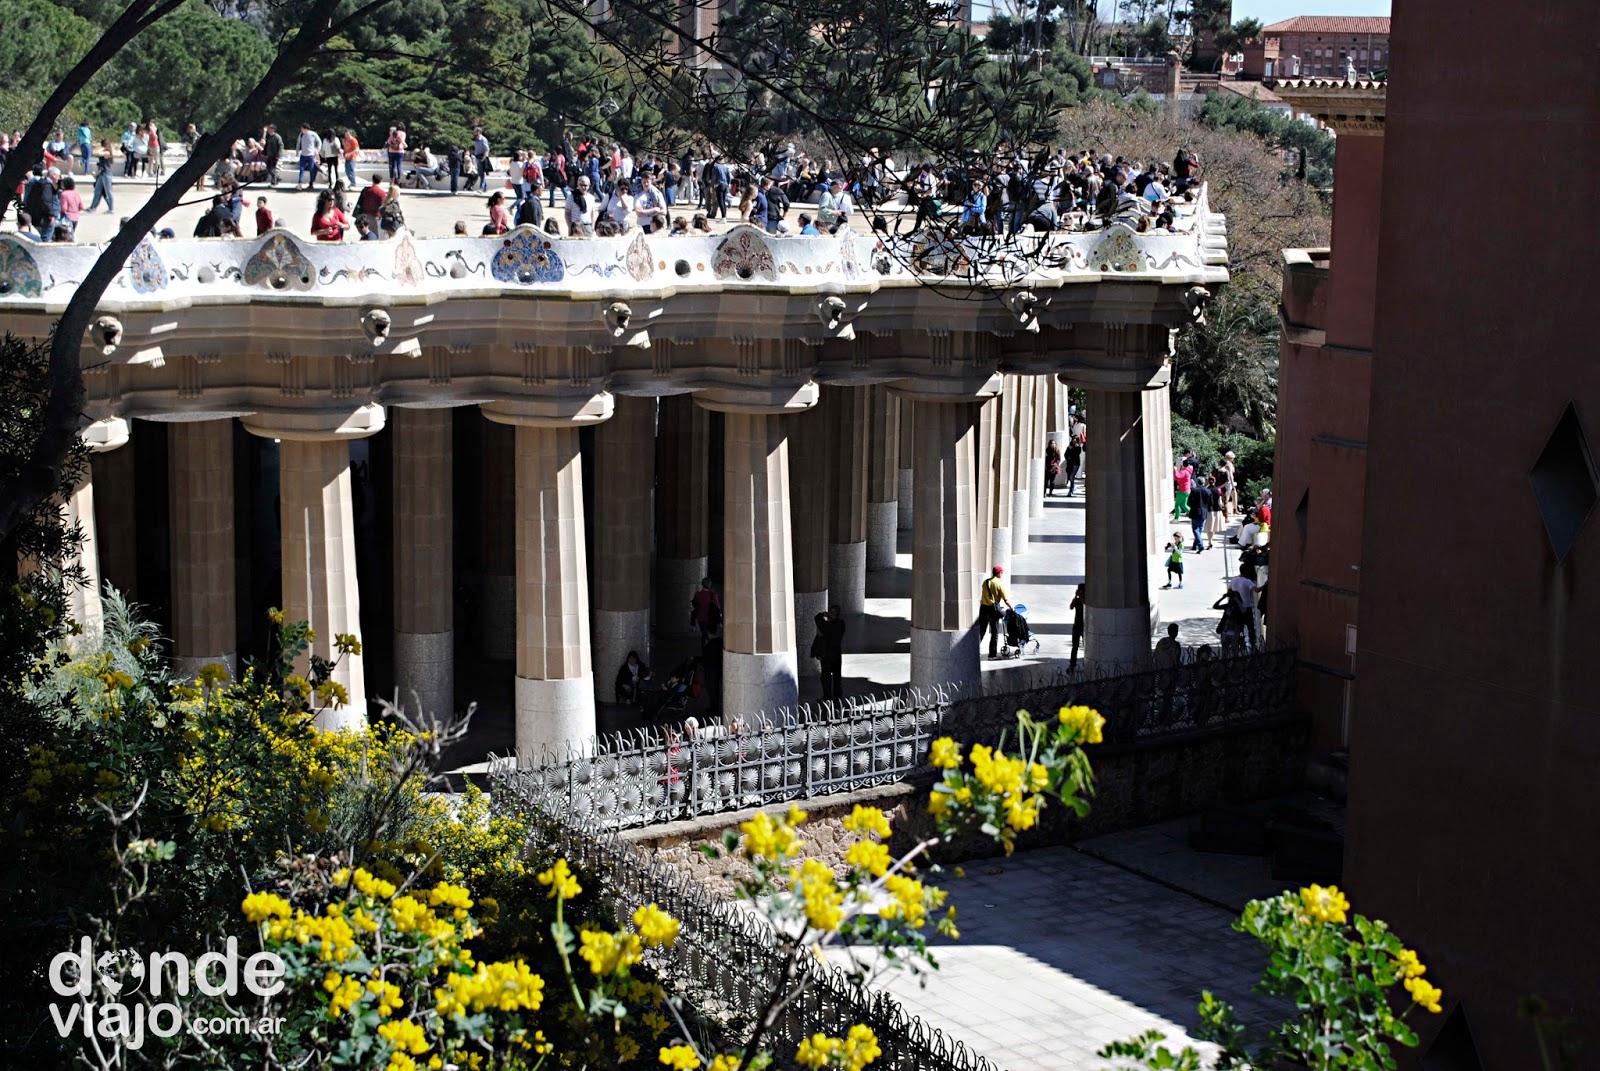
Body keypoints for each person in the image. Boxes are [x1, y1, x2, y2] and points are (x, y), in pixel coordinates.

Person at [813, 606, 846, 702]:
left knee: (826, 677)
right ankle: (838, 696)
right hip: (837, 653)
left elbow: (817, 618)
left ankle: (827, 697)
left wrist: (823, 614)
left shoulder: (826, 626)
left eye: (831, 612)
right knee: (837, 676)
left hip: (827, 655)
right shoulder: (841, 624)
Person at [978, 565, 1009, 660]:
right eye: (1002, 573)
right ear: (999, 573)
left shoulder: (985, 582)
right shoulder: (998, 583)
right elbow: (1006, 600)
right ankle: (992, 655)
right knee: (994, 633)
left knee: (981, 631)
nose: (1002, 574)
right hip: (993, 610)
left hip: (983, 609)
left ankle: (973, 651)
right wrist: (1012, 608)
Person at [1227, 570, 1258, 650]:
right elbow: (1257, 590)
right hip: (1247, 608)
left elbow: (1229, 592)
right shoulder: (1247, 581)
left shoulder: (1233, 580)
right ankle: (1253, 645)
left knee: (1238, 627)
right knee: (1250, 627)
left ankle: (1238, 644)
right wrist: (1265, 585)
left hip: (1237, 609)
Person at [87, 140, 115, 213]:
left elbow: (97, 153)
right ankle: (93, 207)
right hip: (101, 173)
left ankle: (111, 209)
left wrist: (101, 148)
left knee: (108, 191)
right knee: (97, 191)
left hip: (106, 174)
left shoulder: (107, 152)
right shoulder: (104, 152)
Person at [690, 577, 721, 642]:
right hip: (711, 619)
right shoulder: (713, 594)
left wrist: (693, 623)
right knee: (710, 636)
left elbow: (694, 607)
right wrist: (719, 620)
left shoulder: (698, 594)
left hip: (701, 618)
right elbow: (717, 607)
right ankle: (709, 649)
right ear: (709, 584)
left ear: (702, 584)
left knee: (704, 635)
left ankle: (705, 648)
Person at [1188, 477, 1210, 553]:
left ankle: (1200, 545)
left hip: (1195, 511)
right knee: (1199, 529)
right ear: (1204, 482)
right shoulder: (1208, 491)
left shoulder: (1194, 490)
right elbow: (1210, 503)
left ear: (1197, 482)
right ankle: (1195, 546)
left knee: (1195, 529)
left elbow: (1189, 502)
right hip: (1204, 512)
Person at [1068, 582, 1085, 675]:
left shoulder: (1085, 599)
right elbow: (1071, 607)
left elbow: (1085, 605)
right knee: (1075, 647)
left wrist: (1081, 597)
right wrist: (1076, 597)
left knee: (1086, 646)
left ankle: (1086, 662)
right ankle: (1072, 665)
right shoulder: (1077, 600)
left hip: (1084, 626)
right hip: (1077, 626)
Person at [472, 127, 491, 192]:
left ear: (479, 132)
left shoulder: (483, 139)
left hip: (482, 157)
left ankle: (481, 188)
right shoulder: (476, 140)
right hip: (477, 157)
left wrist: (483, 158)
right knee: (480, 174)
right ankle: (484, 188)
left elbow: (487, 149)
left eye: (475, 131)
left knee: (482, 174)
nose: (474, 133)